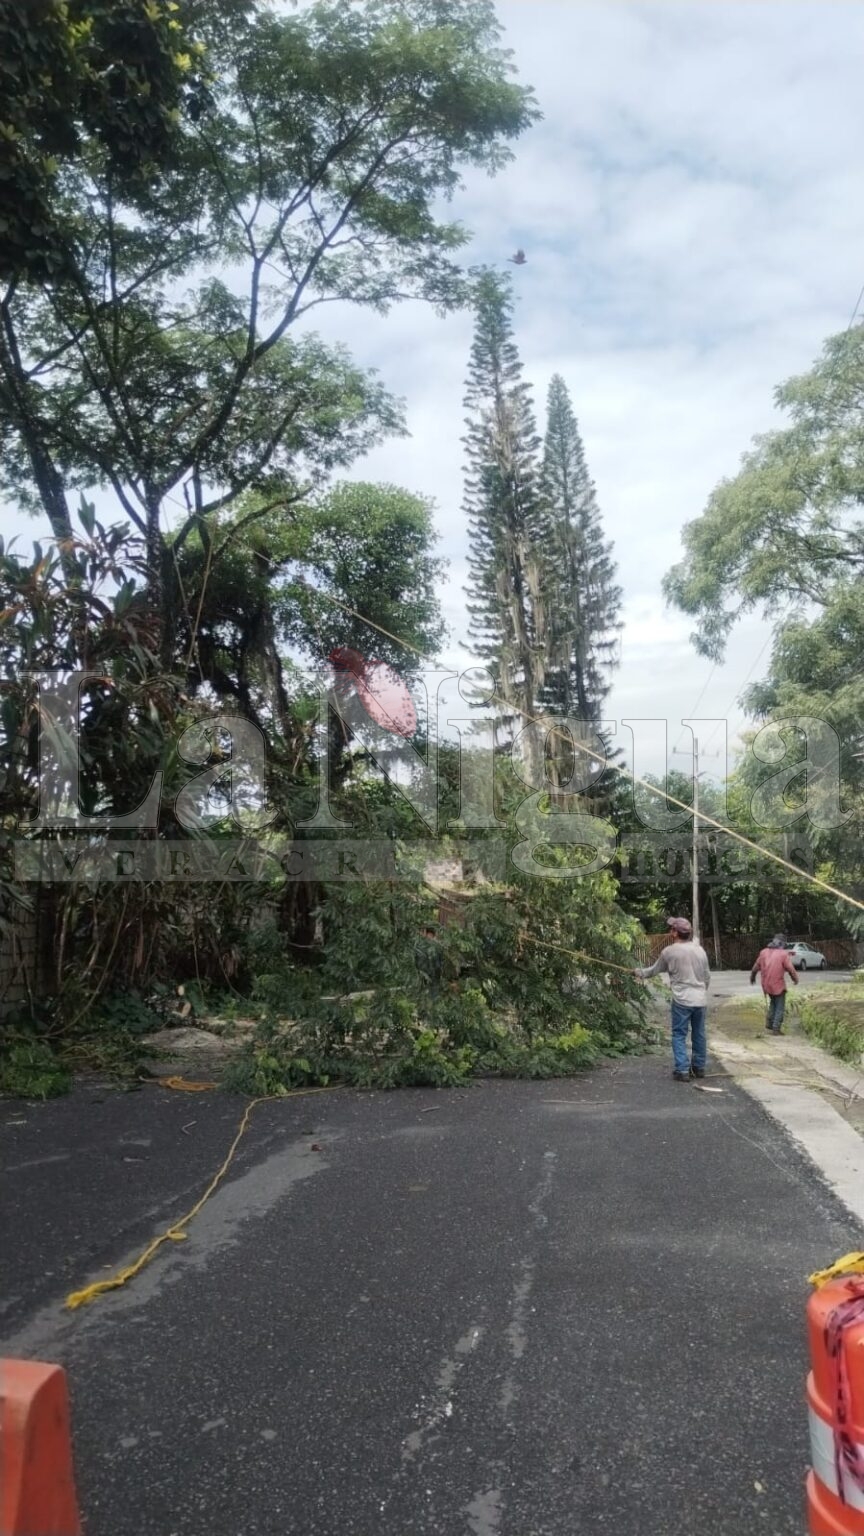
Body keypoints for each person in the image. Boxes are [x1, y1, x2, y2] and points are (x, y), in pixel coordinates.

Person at [634, 916, 711, 1081]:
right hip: (700, 999)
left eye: (672, 929)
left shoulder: (669, 952)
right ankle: (699, 1068)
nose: (670, 931)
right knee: (699, 1034)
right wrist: (702, 992)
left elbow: (654, 970)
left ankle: (682, 1070)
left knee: (678, 1034)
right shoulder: (700, 950)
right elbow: (707, 977)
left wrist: (638, 972)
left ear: (676, 933)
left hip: (682, 999)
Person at [750, 934, 798, 1035]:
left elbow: (755, 967)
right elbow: (791, 969)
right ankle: (776, 1028)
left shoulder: (763, 952)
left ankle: (769, 1023)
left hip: (766, 985)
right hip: (778, 985)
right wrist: (795, 979)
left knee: (773, 1002)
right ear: (782, 943)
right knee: (780, 1006)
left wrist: (752, 977)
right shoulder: (783, 954)